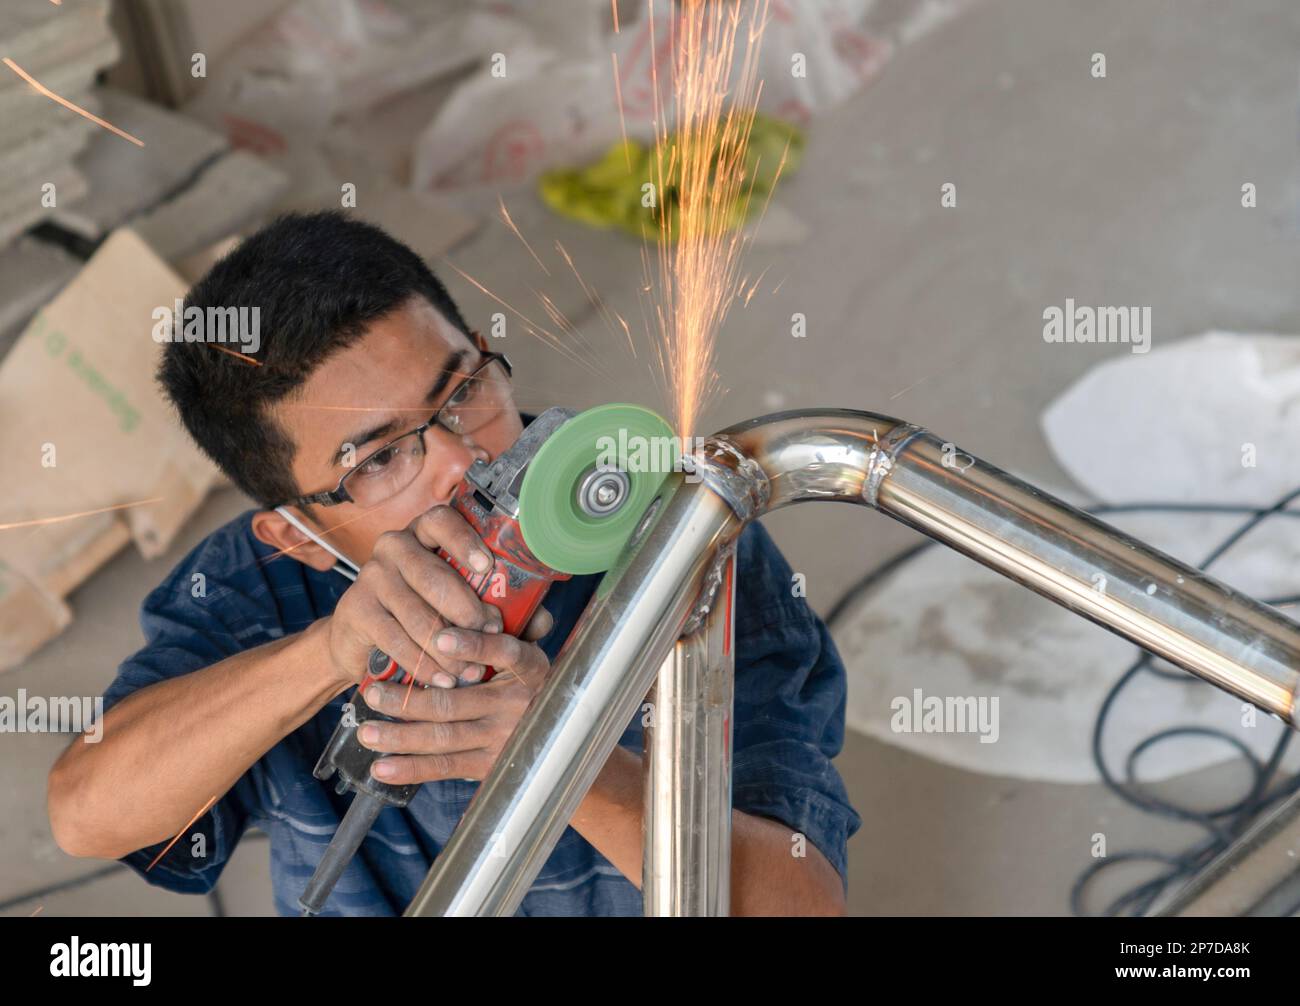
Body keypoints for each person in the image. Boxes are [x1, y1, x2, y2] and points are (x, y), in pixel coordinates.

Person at [47, 212, 860, 916]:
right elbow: (85, 813)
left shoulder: (676, 534)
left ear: (481, 352)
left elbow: (802, 902)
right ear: (298, 533)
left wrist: (565, 756)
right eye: (379, 459)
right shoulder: (250, 587)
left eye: (461, 391)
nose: (461, 460)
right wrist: (326, 655)